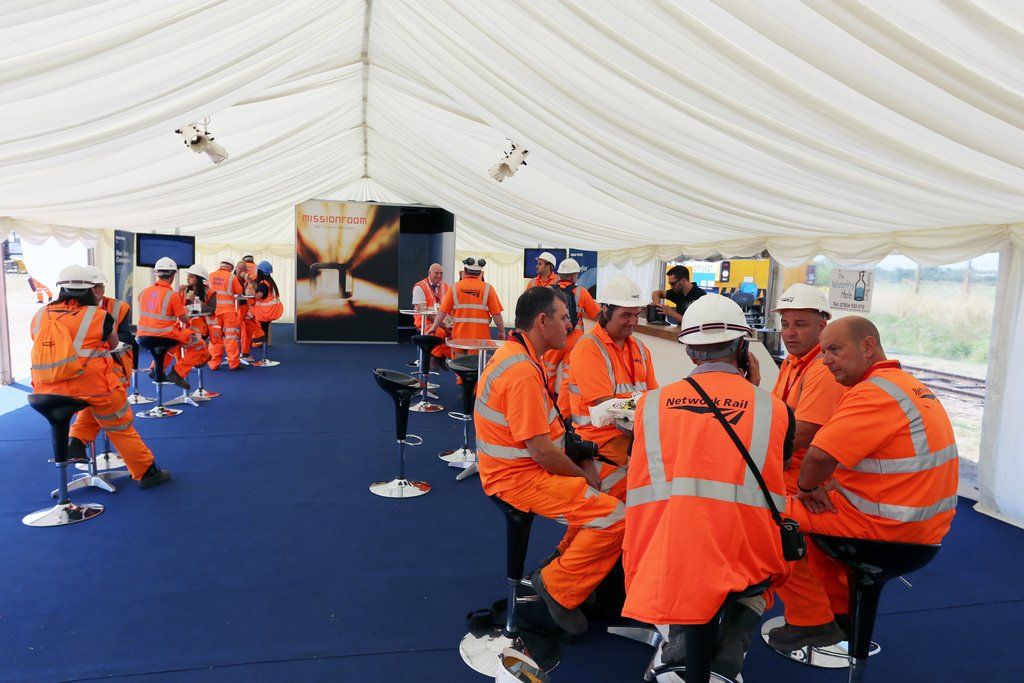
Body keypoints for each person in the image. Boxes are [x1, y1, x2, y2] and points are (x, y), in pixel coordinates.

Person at [623, 294, 792, 680]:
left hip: (667, 549)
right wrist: (753, 390)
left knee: (689, 567)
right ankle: (733, 639)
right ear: (743, 346)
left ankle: (682, 645)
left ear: (689, 352)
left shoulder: (649, 406)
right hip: (746, 551)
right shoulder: (774, 409)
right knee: (758, 574)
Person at [769, 316, 959, 650]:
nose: (826, 359)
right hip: (924, 524)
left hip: (889, 528)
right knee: (811, 522)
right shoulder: (907, 384)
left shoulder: (873, 394)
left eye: (835, 350)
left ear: (868, 346)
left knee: (768, 517)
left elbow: (817, 457)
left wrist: (809, 488)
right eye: (825, 351)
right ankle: (840, 615)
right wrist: (829, 488)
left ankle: (810, 621)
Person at [475, 286, 624, 636]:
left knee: (599, 504)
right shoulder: (523, 372)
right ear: (542, 321)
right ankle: (556, 586)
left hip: (517, 469)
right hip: (518, 478)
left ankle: (560, 564)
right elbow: (541, 450)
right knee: (618, 518)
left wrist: (582, 457)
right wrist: (582, 476)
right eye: (564, 318)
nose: (571, 325)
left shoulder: (519, 356)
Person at [31, 264, 170, 488]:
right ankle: (147, 472)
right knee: (119, 424)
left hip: (46, 387)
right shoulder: (98, 316)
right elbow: (115, 344)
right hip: (92, 386)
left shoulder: (40, 314)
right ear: (90, 290)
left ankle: (75, 442)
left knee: (92, 406)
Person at [766, 284, 850, 646]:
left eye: (800, 323)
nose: (789, 333)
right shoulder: (793, 362)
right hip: (794, 469)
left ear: (823, 325)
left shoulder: (822, 367)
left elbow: (801, 435)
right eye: (785, 324)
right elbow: (775, 417)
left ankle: (814, 619)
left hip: (809, 476)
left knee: (765, 524)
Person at [564, 276, 655, 503]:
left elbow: (655, 396)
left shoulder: (640, 348)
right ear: (605, 311)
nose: (633, 321)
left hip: (631, 437)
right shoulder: (588, 348)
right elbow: (605, 407)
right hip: (600, 444)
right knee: (647, 494)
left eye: (636, 314)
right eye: (626, 314)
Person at [137, 257, 210, 389]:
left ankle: (155, 369)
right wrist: (193, 327)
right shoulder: (172, 295)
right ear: (173, 274)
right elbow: (183, 318)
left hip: (142, 338)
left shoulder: (143, 293)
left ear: (156, 273)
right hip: (165, 335)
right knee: (199, 344)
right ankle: (177, 373)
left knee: (174, 345)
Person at [542, 258, 600, 419]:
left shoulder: (547, 290)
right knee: (568, 379)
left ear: (559, 274)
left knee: (548, 373)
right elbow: (597, 314)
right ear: (575, 275)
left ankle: (545, 410)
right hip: (575, 340)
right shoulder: (581, 292)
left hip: (553, 338)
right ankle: (561, 415)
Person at [428, 257, 504, 349]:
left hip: (459, 339)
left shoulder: (454, 288)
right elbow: (496, 315)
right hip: (481, 341)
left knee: (458, 363)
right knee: (477, 363)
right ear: (480, 272)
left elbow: (442, 311)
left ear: (464, 270)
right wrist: (501, 332)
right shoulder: (488, 289)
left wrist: (434, 327)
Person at [207, 260, 244, 370]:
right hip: (228, 312)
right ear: (231, 268)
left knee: (215, 338)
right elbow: (239, 291)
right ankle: (233, 363)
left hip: (214, 312)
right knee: (230, 338)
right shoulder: (231, 277)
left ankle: (213, 364)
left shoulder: (210, 276)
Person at [412, 263, 451, 363]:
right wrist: (441, 324)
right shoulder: (419, 287)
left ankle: (444, 357)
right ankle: (435, 359)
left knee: (453, 331)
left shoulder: (446, 287)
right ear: (429, 273)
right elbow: (421, 310)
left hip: (441, 321)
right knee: (440, 332)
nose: (439, 276)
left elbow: (450, 308)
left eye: (441, 273)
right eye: (436, 273)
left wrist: (450, 322)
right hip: (424, 321)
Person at [181, 263, 218, 342]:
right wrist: (178, 292)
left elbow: (212, 310)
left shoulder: (210, 292)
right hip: (187, 326)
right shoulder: (184, 290)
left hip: (204, 327)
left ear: (199, 278)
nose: (188, 279)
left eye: (191, 276)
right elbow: (179, 307)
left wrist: (196, 300)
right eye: (188, 276)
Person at [251, 260, 283, 342]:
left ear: (260, 272)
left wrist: (251, 288)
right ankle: (264, 344)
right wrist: (251, 282)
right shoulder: (269, 281)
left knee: (263, 332)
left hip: (265, 313)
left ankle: (263, 344)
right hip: (270, 311)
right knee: (265, 331)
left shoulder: (263, 284)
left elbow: (258, 296)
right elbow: (260, 289)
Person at [235, 259, 259, 362]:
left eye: (241, 269)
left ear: (245, 270)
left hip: (246, 308)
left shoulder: (250, 278)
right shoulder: (232, 278)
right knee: (233, 331)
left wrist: (249, 281)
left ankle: (244, 354)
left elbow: (255, 291)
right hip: (233, 308)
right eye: (238, 268)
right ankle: (234, 355)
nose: (239, 270)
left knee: (246, 330)